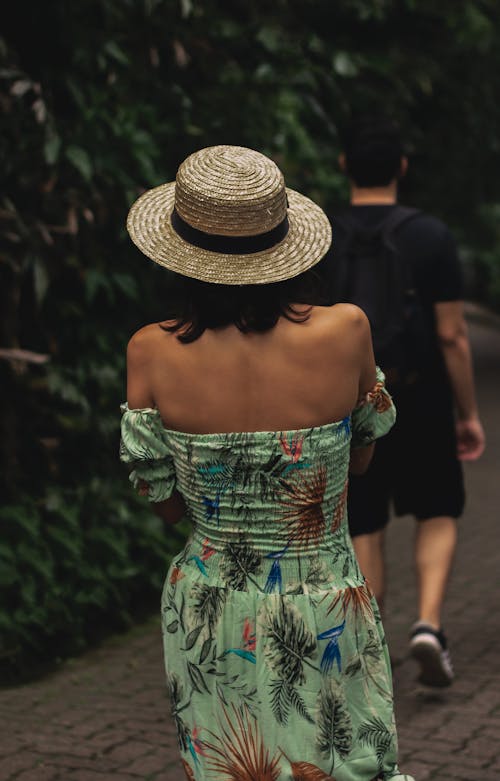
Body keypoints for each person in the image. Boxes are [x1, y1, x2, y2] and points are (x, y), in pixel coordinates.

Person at [119, 145, 414, 781]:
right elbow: (361, 460)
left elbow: (167, 504)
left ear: (180, 256)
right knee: (346, 765)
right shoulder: (347, 330)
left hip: (210, 602)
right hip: (323, 594)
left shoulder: (148, 351)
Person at [317, 118, 485, 687]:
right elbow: (452, 336)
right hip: (422, 396)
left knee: (363, 520)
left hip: (350, 400)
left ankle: (368, 637)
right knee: (437, 509)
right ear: (402, 168)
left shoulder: (320, 235)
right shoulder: (431, 235)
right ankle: (429, 626)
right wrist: (468, 414)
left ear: (344, 164)